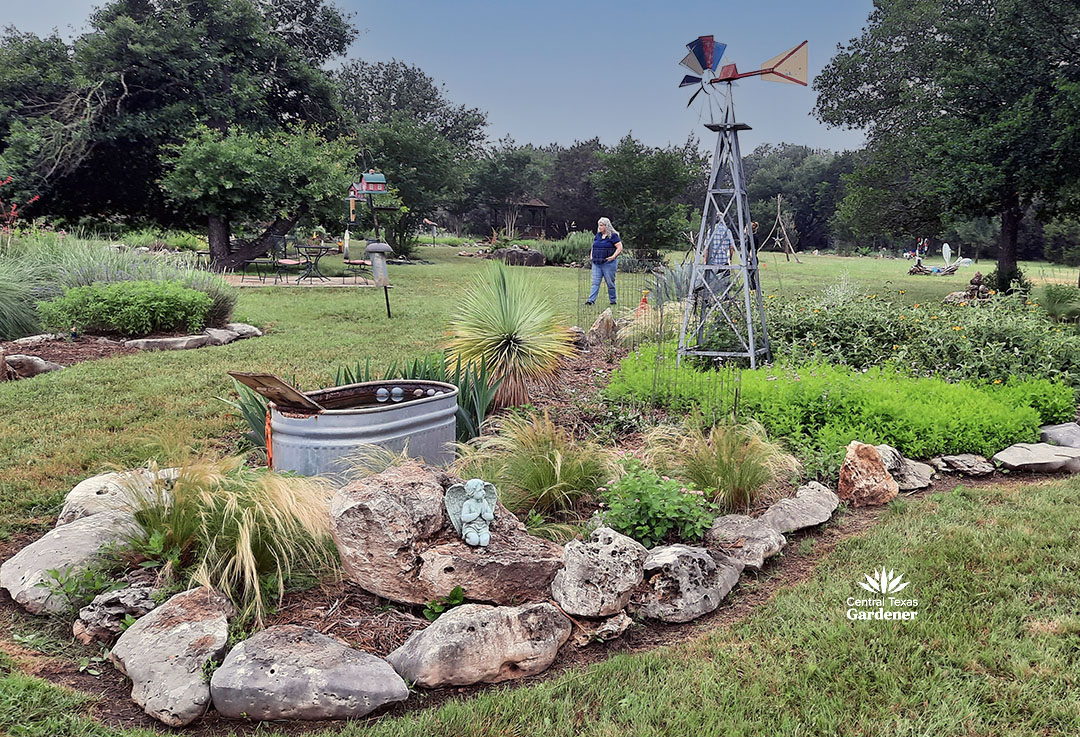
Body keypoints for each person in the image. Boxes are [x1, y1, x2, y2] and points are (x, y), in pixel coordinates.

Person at [586, 217, 623, 305]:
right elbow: (594, 246)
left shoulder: (613, 236)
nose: (600, 227)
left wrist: (613, 257)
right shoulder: (598, 235)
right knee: (595, 282)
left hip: (608, 263)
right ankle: (591, 300)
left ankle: (613, 300)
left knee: (610, 283)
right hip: (596, 263)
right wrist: (591, 255)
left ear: (607, 226)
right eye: (599, 225)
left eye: (602, 225)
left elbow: (619, 247)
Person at [700, 218, 735, 302]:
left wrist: (705, 260)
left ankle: (709, 300)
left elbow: (707, 247)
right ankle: (725, 298)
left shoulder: (710, 231)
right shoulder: (728, 231)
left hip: (712, 263)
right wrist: (730, 258)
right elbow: (731, 247)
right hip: (724, 262)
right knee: (725, 283)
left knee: (710, 283)